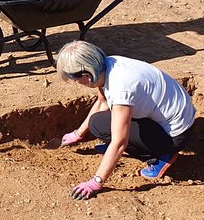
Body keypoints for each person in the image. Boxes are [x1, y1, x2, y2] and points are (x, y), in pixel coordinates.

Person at [56, 40, 196, 199]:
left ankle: (160, 157)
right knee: (97, 123)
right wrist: (77, 134)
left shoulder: (121, 88)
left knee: (103, 128)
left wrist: (96, 182)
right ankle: (143, 147)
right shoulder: (107, 65)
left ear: (87, 76)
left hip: (173, 136)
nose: (76, 83)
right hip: (174, 120)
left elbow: (119, 142)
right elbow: (102, 102)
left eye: (75, 79)